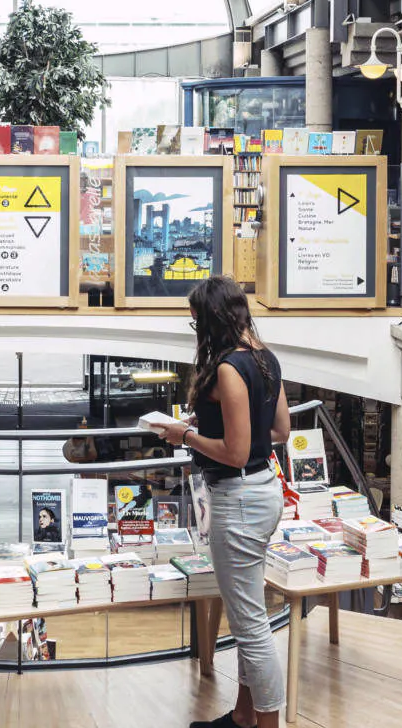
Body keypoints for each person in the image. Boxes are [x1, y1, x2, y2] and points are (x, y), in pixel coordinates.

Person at [149, 276, 291, 728]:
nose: (196, 332)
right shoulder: (266, 358)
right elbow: (279, 431)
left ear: (212, 320)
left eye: (197, 324)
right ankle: (244, 717)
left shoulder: (229, 367)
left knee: (250, 625)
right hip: (265, 488)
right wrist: (215, 421)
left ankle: (265, 722)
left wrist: (185, 434)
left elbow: (233, 451)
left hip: (240, 498)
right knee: (251, 613)